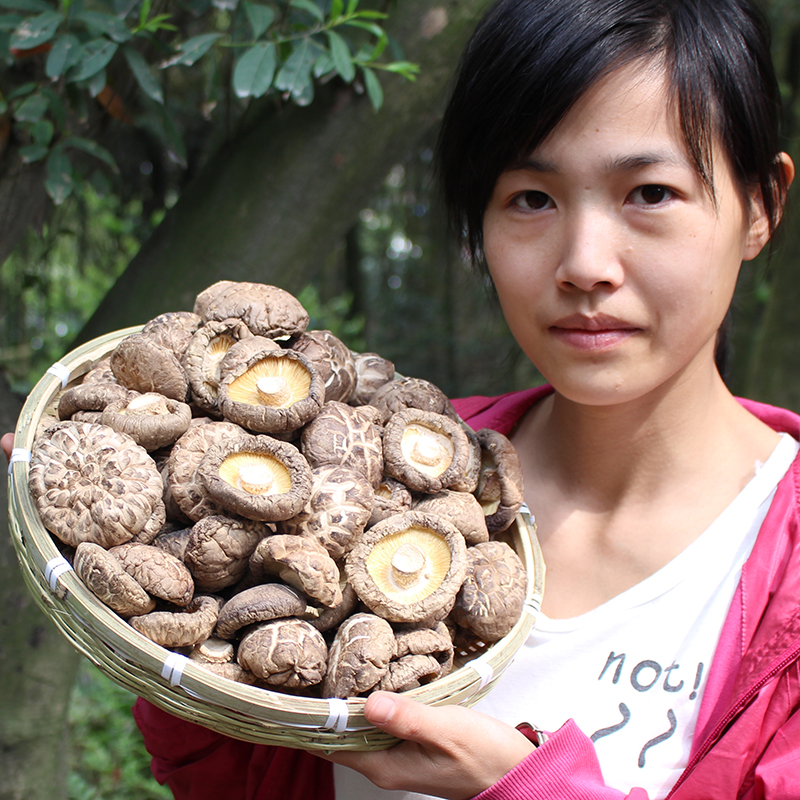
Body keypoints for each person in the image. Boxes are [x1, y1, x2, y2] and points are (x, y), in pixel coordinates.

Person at [4, 0, 800, 796]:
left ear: (761, 204)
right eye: (531, 197)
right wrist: (168, 634)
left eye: (650, 193)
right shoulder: (397, 477)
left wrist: (525, 787)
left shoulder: (783, 577)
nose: (585, 263)